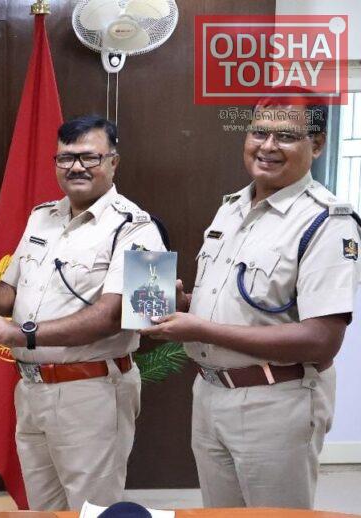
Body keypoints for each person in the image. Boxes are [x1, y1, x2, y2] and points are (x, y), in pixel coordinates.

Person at [141, 96, 361, 509]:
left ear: (316, 144)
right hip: (210, 394)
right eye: (259, 132)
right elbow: (245, 304)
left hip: (276, 401)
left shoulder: (327, 223)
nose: (268, 146)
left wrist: (201, 328)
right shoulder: (232, 208)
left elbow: (321, 340)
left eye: (286, 136)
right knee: (221, 515)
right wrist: (186, 305)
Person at [0, 115, 166, 510]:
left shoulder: (138, 228)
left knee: (92, 510)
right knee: (44, 509)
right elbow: (10, 295)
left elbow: (114, 316)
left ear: (113, 162)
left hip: (91, 391)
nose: (76, 167)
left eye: (90, 157)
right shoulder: (42, 217)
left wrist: (22, 335)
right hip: (32, 389)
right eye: (66, 158)